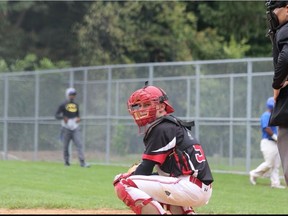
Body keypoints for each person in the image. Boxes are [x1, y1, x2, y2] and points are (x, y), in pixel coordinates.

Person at [113, 82, 214, 215]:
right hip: (196, 186)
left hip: (189, 186)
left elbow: (146, 168)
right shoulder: (171, 125)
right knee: (157, 184)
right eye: (139, 105)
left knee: (123, 183)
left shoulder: (162, 128)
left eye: (147, 104)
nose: (141, 109)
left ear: (161, 106)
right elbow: (164, 172)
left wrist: (131, 174)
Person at [266, 0, 288, 186]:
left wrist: (276, 85)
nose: (272, 13)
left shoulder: (286, 29)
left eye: (275, 9)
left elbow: (286, 56)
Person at [249, 97, 285, 189]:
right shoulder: (266, 115)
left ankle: (275, 183)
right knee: (269, 163)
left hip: (275, 143)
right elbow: (266, 128)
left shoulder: (274, 115)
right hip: (268, 142)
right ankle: (254, 173)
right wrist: (275, 137)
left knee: (276, 164)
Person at [55, 87, 90, 168]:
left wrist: (78, 118)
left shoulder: (75, 105)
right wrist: (63, 118)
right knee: (65, 146)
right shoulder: (63, 105)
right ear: (67, 95)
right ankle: (66, 162)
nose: (72, 96)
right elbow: (56, 115)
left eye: (73, 95)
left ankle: (82, 162)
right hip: (66, 127)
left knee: (79, 144)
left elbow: (77, 115)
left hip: (75, 127)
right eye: (71, 94)